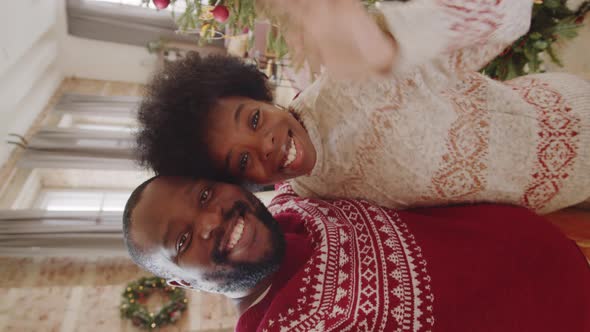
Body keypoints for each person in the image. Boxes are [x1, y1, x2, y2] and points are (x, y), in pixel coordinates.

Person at [136, 0, 590, 214]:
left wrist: (389, 45)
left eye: (253, 119)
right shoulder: (313, 199)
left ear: (260, 96)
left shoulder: (351, 82)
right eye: (242, 159)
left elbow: (509, 12)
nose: (267, 146)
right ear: (240, 181)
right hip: (562, 200)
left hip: (572, 116)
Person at [123, 176, 590, 331]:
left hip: (560, 249)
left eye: (204, 195)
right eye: (182, 241)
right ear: (180, 281)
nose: (211, 220)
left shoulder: (293, 196)